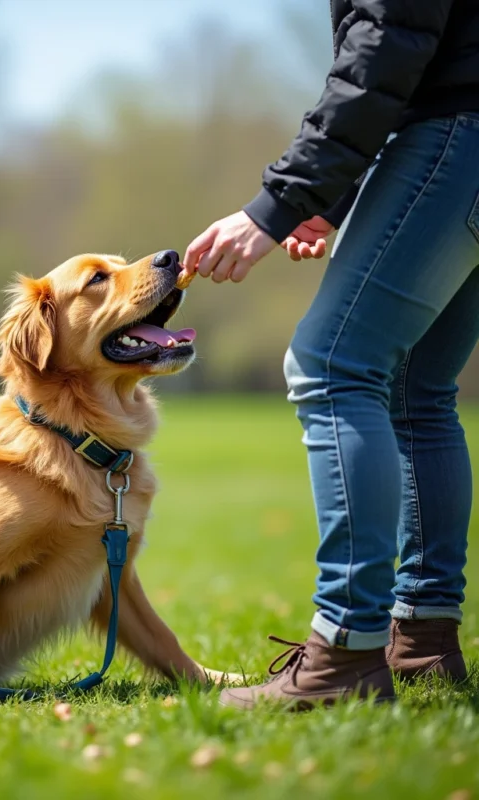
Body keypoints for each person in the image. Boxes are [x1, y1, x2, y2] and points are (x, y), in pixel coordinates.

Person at [183, 0, 479, 710]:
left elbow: (386, 45)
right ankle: (425, 642)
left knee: (332, 366)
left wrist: (278, 203)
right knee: (418, 387)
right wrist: (333, 192)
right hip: (461, 139)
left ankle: (346, 650)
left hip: (454, 136)